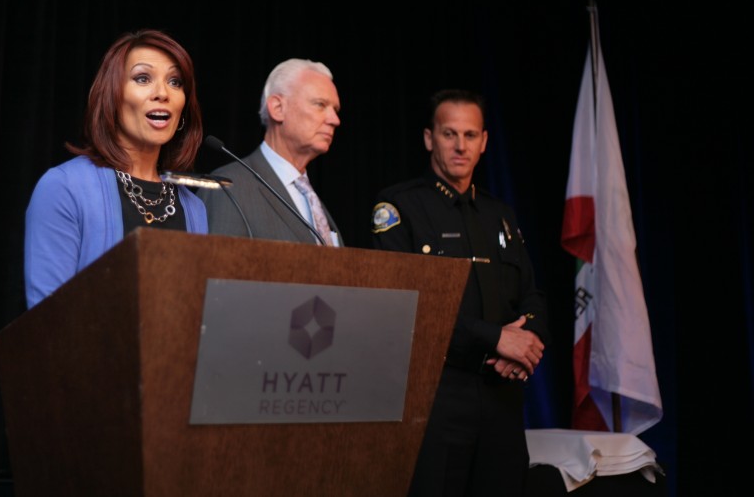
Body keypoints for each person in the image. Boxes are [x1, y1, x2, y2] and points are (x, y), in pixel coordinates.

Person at [370, 89, 548, 497]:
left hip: (502, 396)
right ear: (429, 138)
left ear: (484, 142)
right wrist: (498, 339)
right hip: (438, 397)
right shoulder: (400, 207)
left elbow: (531, 294)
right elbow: (405, 304)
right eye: (450, 134)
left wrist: (530, 342)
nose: (460, 145)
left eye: (470, 135)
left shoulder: (499, 214)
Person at [23, 29, 208, 309]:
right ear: (112, 95)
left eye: (175, 81)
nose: (163, 93)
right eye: (142, 78)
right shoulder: (64, 188)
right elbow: (48, 326)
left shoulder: (194, 208)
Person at [197, 58, 343, 246]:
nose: (334, 119)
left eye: (336, 109)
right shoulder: (227, 188)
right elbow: (218, 273)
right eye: (320, 104)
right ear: (277, 108)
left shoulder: (310, 197)